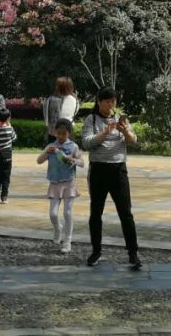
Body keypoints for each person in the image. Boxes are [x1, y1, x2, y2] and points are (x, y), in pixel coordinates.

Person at [81, 87, 141, 270]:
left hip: (118, 170)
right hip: (98, 170)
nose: (110, 105)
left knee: (126, 213)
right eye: (106, 101)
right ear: (99, 102)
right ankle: (96, 250)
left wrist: (125, 131)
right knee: (96, 212)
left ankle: (133, 253)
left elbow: (134, 141)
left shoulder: (121, 119)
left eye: (112, 101)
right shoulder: (91, 119)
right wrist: (105, 132)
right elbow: (86, 143)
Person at [36, 118, 84, 254]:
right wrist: (47, 152)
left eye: (64, 133)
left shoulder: (74, 146)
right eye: (58, 133)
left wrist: (72, 159)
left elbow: (82, 162)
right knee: (53, 214)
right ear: (55, 132)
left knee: (67, 213)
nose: (61, 136)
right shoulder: (51, 146)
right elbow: (39, 161)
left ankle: (67, 242)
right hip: (54, 183)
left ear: (69, 133)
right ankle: (58, 228)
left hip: (69, 182)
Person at [43, 76, 79, 143]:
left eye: (57, 85)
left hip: (54, 132)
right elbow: (75, 112)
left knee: (53, 152)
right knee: (69, 152)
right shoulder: (75, 98)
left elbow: (46, 115)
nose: (56, 87)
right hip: (69, 131)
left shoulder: (51, 99)